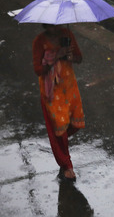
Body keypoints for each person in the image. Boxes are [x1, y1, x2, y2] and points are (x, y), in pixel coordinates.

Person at [32, 24, 85, 181]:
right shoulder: (39, 41)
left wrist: (70, 56)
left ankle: (60, 145)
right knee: (58, 129)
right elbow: (38, 70)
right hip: (51, 93)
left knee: (74, 124)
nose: (54, 28)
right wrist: (55, 56)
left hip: (69, 88)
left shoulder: (66, 35)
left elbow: (79, 57)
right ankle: (66, 165)